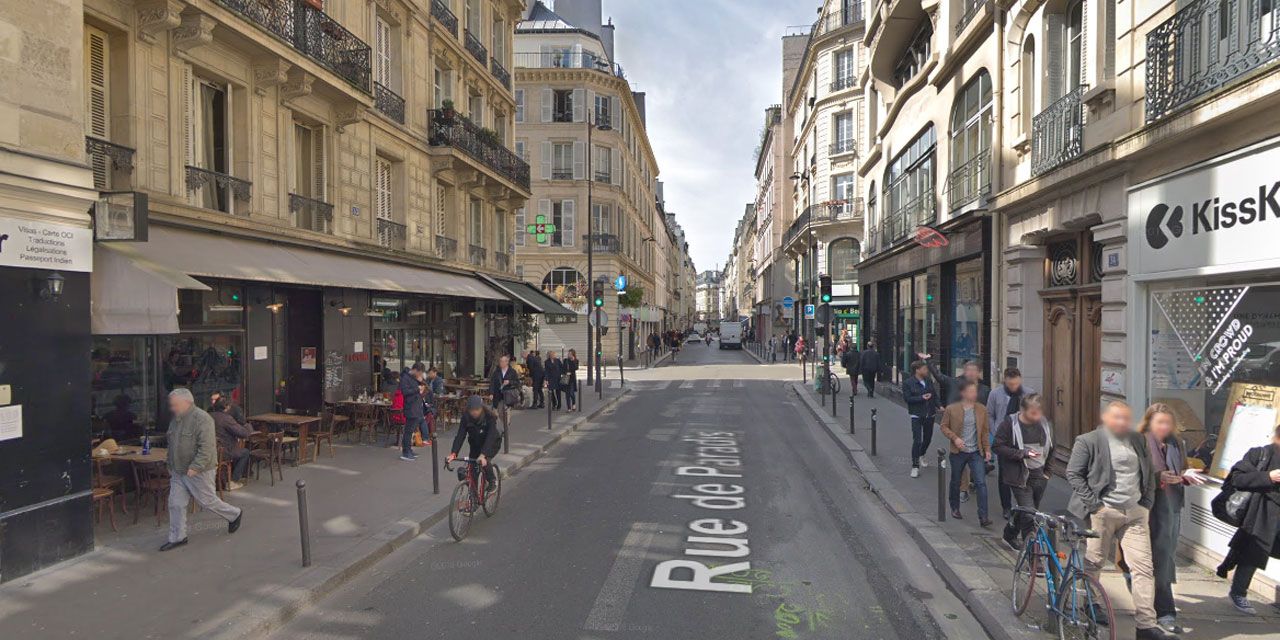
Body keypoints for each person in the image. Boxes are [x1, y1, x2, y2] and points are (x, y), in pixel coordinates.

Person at [1066, 402, 1173, 640]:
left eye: (1126, 418)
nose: (1122, 422)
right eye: (1117, 417)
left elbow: (1148, 472)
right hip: (1103, 512)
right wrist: (1095, 505)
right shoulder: (1089, 440)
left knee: (1143, 568)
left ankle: (1146, 625)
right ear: (1105, 418)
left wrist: (1145, 503)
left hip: (1134, 513)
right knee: (1094, 562)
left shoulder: (1138, 439)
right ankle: (1091, 603)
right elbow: (1073, 473)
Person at [1134, 403, 1205, 633]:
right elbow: (1132, 475)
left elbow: (1181, 469)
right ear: (1149, 422)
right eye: (1159, 423)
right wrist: (1158, 478)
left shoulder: (1176, 443)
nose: (1164, 427)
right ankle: (1162, 610)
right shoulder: (1140, 442)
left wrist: (1185, 476)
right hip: (1147, 508)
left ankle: (1160, 608)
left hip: (1171, 507)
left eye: (1167, 423)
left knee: (1165, 558)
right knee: (1152, 560)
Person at [160, 389, 243, 551]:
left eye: (175, 404)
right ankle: (178, 537)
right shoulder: (176, 420)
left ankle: (234, 514)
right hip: (178, 470)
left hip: (198, 471)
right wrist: (170, 464)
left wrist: (196, 467)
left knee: (207, 501)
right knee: (175, 504)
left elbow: (207, 447)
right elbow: (172, 443)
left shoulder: (203, 419)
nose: (172, 408)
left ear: (186, 403)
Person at [1215, 423, 1280, 616]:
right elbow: (1236, 479)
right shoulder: (1261, 453)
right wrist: (1268, 477)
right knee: (1252, 554)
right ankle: (1238, 593)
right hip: (1262, 512)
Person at [994, 393, 1052, 549]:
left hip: (1039, 475)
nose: (1037, 416)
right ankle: (1032, 553)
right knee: (1029, 515)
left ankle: (1009, 534)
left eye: (1039, 412)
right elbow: (997, 447)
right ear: (1023, 410)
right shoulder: (1009, 424)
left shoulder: (1045, 424)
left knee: (1028, 510)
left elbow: (1052, 448)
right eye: (1033, 413)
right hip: (1019, 476)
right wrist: (1022, 453)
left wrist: (1047, 473)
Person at [939, 380, 992, 526]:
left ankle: (983, 517)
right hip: (959, 451)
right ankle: (955, 507)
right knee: (956, 481)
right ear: (963, 393)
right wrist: (955, 438)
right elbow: (943, 426)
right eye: (971, 391)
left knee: (981, 483)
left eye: (975, 391)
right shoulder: (952, 409)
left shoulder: (981, 409)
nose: (974, 394)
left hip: (976, 452)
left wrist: (987, 449)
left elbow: (985, 431)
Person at [986, 367, 1033, 520]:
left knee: (1026, 473)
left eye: (1016, 384)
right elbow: (989, 414)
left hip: (1024, 439)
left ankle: (1025, 506)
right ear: (1004, 381)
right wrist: (995, 432)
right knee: (1004, 475)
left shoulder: (1029, 394)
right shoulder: (995, 394)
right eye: (1010, 384)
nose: (1014, 387)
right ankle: (1006, 506)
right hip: (1004, 440)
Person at [447, 396, 502, 491]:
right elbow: (460, 435)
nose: (474, 412)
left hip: (492, 443)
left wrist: (483, 455)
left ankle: (492, 481)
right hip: (475, 444)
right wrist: (453, 453)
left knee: (485, 461)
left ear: (482, 408)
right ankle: (474, 495)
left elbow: (490, 437)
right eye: (472, 410)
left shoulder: (489, 417)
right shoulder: (466, 417)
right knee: (472, 470)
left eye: (477, 409)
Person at [902, 360, 940, 477]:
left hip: (929, 414)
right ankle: (915, 466)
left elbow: (934, 395)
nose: (926, 371)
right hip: (916, 414)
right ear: (917, 370)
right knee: (917, 440)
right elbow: (907, 398)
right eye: (924, 369)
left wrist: (939, 406)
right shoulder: (908, 383)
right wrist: (922, 397)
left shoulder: (928, 381)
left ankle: (921, 454)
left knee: (927, 439)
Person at [211, 399, 253, 490]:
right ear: (227, 407)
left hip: (209, 451)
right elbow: (243, 433)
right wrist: (248, 426)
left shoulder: (209, 416)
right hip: (223, 451)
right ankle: (233, 481)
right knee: (245, 452)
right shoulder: (226, 419)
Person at [398, 364, 426, 461]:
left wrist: (420, 382)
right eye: (420, 373)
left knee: (411, 430)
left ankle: (409, 449)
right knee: (408, 431)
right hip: (410, 407)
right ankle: (406, 452)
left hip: (416, 406)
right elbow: (405, 392)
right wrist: (417, 389)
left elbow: (420, 386)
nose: (420, 375)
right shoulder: (405, 378)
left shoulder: (413, 378)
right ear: (415, 370)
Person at [490, 354, 520, 430]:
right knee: (500, 412)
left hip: (508, 395)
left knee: (506, 411)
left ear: (507, 362)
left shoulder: (512, 371)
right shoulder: (496, 372)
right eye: (500, 361)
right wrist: (491, 393)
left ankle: (506, 428)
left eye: (503, 361)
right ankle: (505, 424)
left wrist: (509, 382)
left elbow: (517, 383)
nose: (502, 363)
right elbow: (492, 383)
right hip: (498, 395)